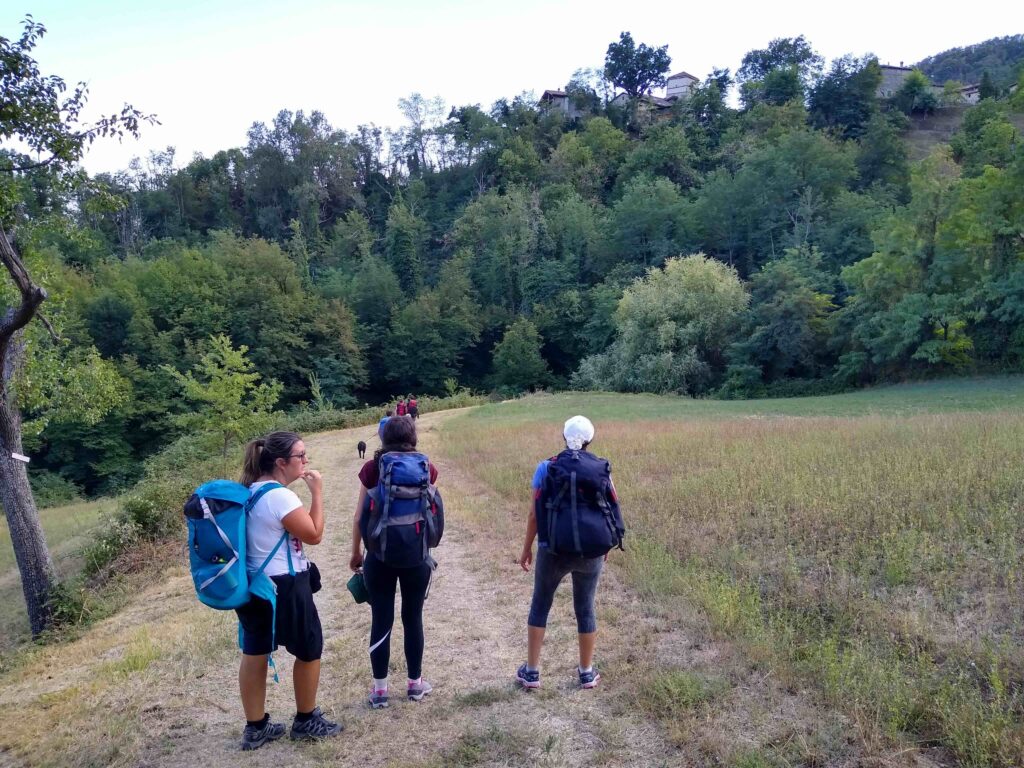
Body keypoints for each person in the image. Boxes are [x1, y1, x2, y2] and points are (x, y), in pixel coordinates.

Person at [236, 431, 342, 750]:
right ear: (281, 463)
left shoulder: (249, 492)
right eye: (300, 456)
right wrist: (318, 493)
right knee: (309, 648)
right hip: (285, 584)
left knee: (255, 652)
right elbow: (314, 534)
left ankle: (256, 728)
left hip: (255, 585)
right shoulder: (280, 496)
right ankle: (305, 719)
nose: (305, 461)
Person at [514, 415, 623, 691]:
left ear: (564, 437)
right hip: (591, 553)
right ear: (590, 440)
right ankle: (586, 672)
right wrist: (604, 544)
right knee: (585, 608)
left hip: (552, 549)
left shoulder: (546, 467)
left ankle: (532, 672)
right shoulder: (601, 469)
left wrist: (527, 548)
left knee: (540, 604)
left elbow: (533, 515)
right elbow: (610, 508)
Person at [350, 415, 438, 709]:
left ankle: (380, 691)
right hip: (416, 556)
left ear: (383, 438)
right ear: (414, 438)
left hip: (379, 556)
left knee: (381, 620)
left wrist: (356, 553)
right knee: (413, 619)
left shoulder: (372, 468)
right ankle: (414, 685)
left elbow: (359, 515)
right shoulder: (427, 467)